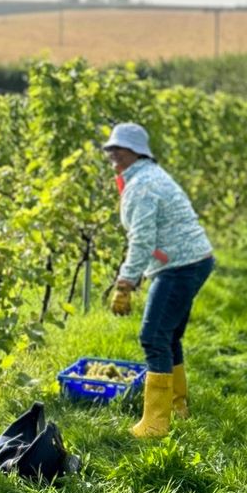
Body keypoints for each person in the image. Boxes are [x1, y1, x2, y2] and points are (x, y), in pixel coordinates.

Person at [101, 122, 215, 440]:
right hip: (192, 260)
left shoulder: (142, 185)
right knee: (168, 335)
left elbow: (141, 239)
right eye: (110, 149)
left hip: (180, 265)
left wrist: (124, 283)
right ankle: (177, 406)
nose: (112, 154)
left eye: (118, 149)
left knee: (153, 337)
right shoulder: (144, 177)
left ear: (136, 151)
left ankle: (155, 423)